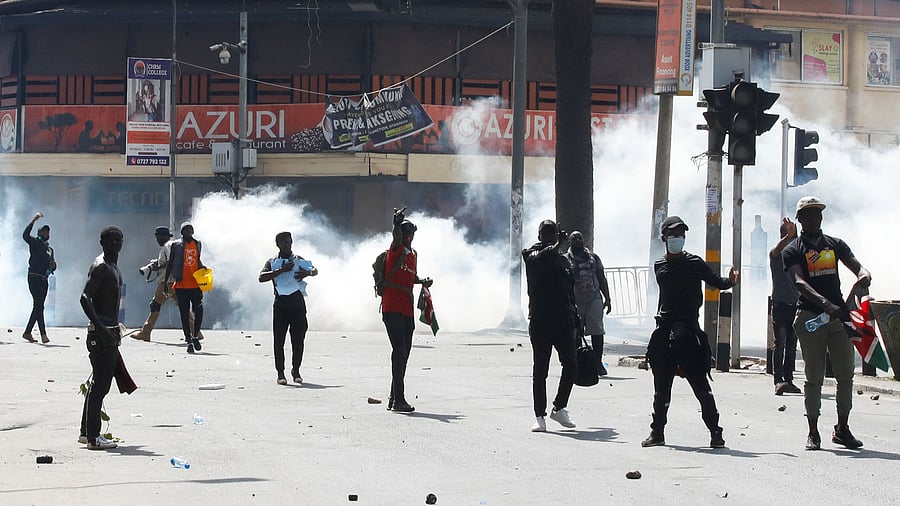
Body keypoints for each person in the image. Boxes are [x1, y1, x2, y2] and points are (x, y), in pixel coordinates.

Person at [782, 196, 872, 450]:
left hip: (839, 318)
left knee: (845, 373)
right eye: (807, 214)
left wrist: (863, 273)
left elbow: (855, 265)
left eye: (816, 214)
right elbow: (799, 282)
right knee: (814, 376)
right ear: (799, 219)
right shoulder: (793, 250)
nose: (813, 218)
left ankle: (842, 428)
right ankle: (813, 431)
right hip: (812, 316)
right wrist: (825, 304)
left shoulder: (835, 244)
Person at [642, 216, 738, 449]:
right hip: (665, 332)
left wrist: (731, 281)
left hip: (689, 333)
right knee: (661, 390)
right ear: (664, 237)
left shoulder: (695, 263)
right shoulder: (659, 266)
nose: (678, 239)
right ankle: (657, 433)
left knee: (701, 387)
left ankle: (716, 433)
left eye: (681, 235)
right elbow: (665, 299)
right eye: (674, 235)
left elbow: (716, 281)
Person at [523, 219, 578, 432]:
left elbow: (570, 292)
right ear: (539, 236)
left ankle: (559, 407)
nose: (548, 236)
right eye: (544, 233)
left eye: (552, 233)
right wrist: (555, 247)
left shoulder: (564, 261)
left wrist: (576, 320)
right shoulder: (532, 254)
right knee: (541, 370)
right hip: (541, 322)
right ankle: (539, 416)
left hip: (564, 321)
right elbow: (539, 260)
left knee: (571, 365)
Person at [381, 207, 433, 413]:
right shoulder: (396, 249)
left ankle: (394, 397)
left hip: (407, 309)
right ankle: (399, 399)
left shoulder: (413, 254)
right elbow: (394, 238)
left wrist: (423, 281)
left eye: (409, 233)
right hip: (392, 307)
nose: (409, 237)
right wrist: (395, 225)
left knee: (405, 353)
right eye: (406, 233)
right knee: (399, 351)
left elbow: (411, 277)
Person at [79, 226, 125, 450]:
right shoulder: (100, 267)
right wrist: (102, 328)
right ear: (103, 243)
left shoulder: (114, 267)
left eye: (119, 240)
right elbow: (85, 298)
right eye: (112, 241)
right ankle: (93, 438)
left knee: (98, 384)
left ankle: (86, 432)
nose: (116, 244)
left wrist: (114, 328)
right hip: (101, 335)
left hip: (109, 331)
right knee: (100, 386)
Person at [258, 232, 318, 385]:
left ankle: (296, 370)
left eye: (289, 242)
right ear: (278, 244)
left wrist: (307, 273)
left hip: (297, 304)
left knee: (298, 340)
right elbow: (261, 277)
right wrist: (281, 271)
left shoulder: (298, 259)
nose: (288, 245)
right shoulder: (273, 262)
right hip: (281, 305)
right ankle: (280, 373)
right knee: (279, 340)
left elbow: (315, 270)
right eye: (284, 242)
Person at [131, 226, 200, 342]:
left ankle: (145, 332)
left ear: (164, 237)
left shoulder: (168, 246)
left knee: (155, 305)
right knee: (183, 307)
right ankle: (196, 332)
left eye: (158, 237)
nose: (157, 239)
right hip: (175, 281)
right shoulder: (173, 245)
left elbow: (170, 261)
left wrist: (157, 266)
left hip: (168, 282)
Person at [565, 230, 613, 376]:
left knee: (597, 330)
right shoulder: (566, 259)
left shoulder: (594, 258)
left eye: (580, 237)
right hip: (575, 301)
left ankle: (597, 363)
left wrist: (608, 298)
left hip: (594, 298)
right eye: (574, 238)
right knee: (576, 332)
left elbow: (601, 277)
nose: (578, 240)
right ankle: (578, 364)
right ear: (569, 242)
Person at [769, 217, 802, 396]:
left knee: (791, 345)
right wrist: (788, 237)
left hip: (795, 306)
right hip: (780, 305)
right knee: (780, 343)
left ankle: (788, 380)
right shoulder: (777, 255)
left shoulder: (797, 256)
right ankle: (778, 380)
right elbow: (776, 250)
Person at [164, 222, 206, 354]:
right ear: (182, 232)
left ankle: (195, 336)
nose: (188, 232)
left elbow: (197, 260)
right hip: (181, 285)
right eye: (185, 230)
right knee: (184, 314)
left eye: (190, 229)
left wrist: (203, 268)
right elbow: (170, 264)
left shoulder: (198, 243)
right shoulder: (176, 245)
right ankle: (188, 340)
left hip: (195, 284)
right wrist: (166, 282)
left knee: (199, 310)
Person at [22, 211, 56, 343]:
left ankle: (27, 332)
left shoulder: (50, 249)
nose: (46, 234)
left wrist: (53, 265)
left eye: (48, 232)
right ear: (39, 233)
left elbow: (52, 266)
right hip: (34, 277)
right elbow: (25, 235)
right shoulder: (35, 243)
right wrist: (33, 221)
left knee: (38, 306)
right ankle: (43, 334)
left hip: (44, 279)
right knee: (39, 305)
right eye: (43, 231)